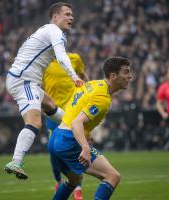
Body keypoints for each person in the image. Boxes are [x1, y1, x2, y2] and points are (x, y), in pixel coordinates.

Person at [4, 2, 84, 180]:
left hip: (22, 79)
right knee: (35, 122)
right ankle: (16, 161)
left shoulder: (47, 31)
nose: (71, 17)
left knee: (49, 105)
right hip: (24, 81)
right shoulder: (54, 31)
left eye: (72, 14)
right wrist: (74, 76)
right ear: (55, 17)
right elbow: (62, 57)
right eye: (67, 14)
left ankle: (71, 127)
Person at [48, 56, 132, 200]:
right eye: (126, 72)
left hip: (56, 137)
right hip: (68, 140)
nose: (129, 76)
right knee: (112, 176)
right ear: (113, 76)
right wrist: (85, 147)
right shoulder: (102, 98)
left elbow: (74, 108)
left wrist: (86, 133)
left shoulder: (93, 84)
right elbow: (76, 123)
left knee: (74, 180)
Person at [43, 53, 88, 200]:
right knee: (53, 150)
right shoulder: (43, 62)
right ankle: (59, 181)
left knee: (76, 147)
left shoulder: (74, 58)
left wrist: (88, 92)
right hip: (52, 112)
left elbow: (83, 75)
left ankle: (78, 187)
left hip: (71, 111)